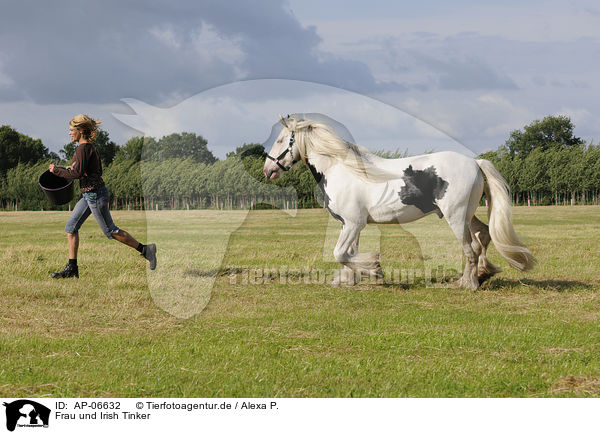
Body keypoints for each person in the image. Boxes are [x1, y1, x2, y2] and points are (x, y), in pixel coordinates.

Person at [49, 114, 156, 278]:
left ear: (81, 131)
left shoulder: (83, 148)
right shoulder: (89, 147)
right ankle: (72, 269)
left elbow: (77, 174)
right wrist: (73, 169)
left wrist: (56, 171)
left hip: (95, 195)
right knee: (71, 229)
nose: (70, 133)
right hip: (88, 194)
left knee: (110, 231)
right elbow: (91, 170)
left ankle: (145, 250)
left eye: (72, 130)